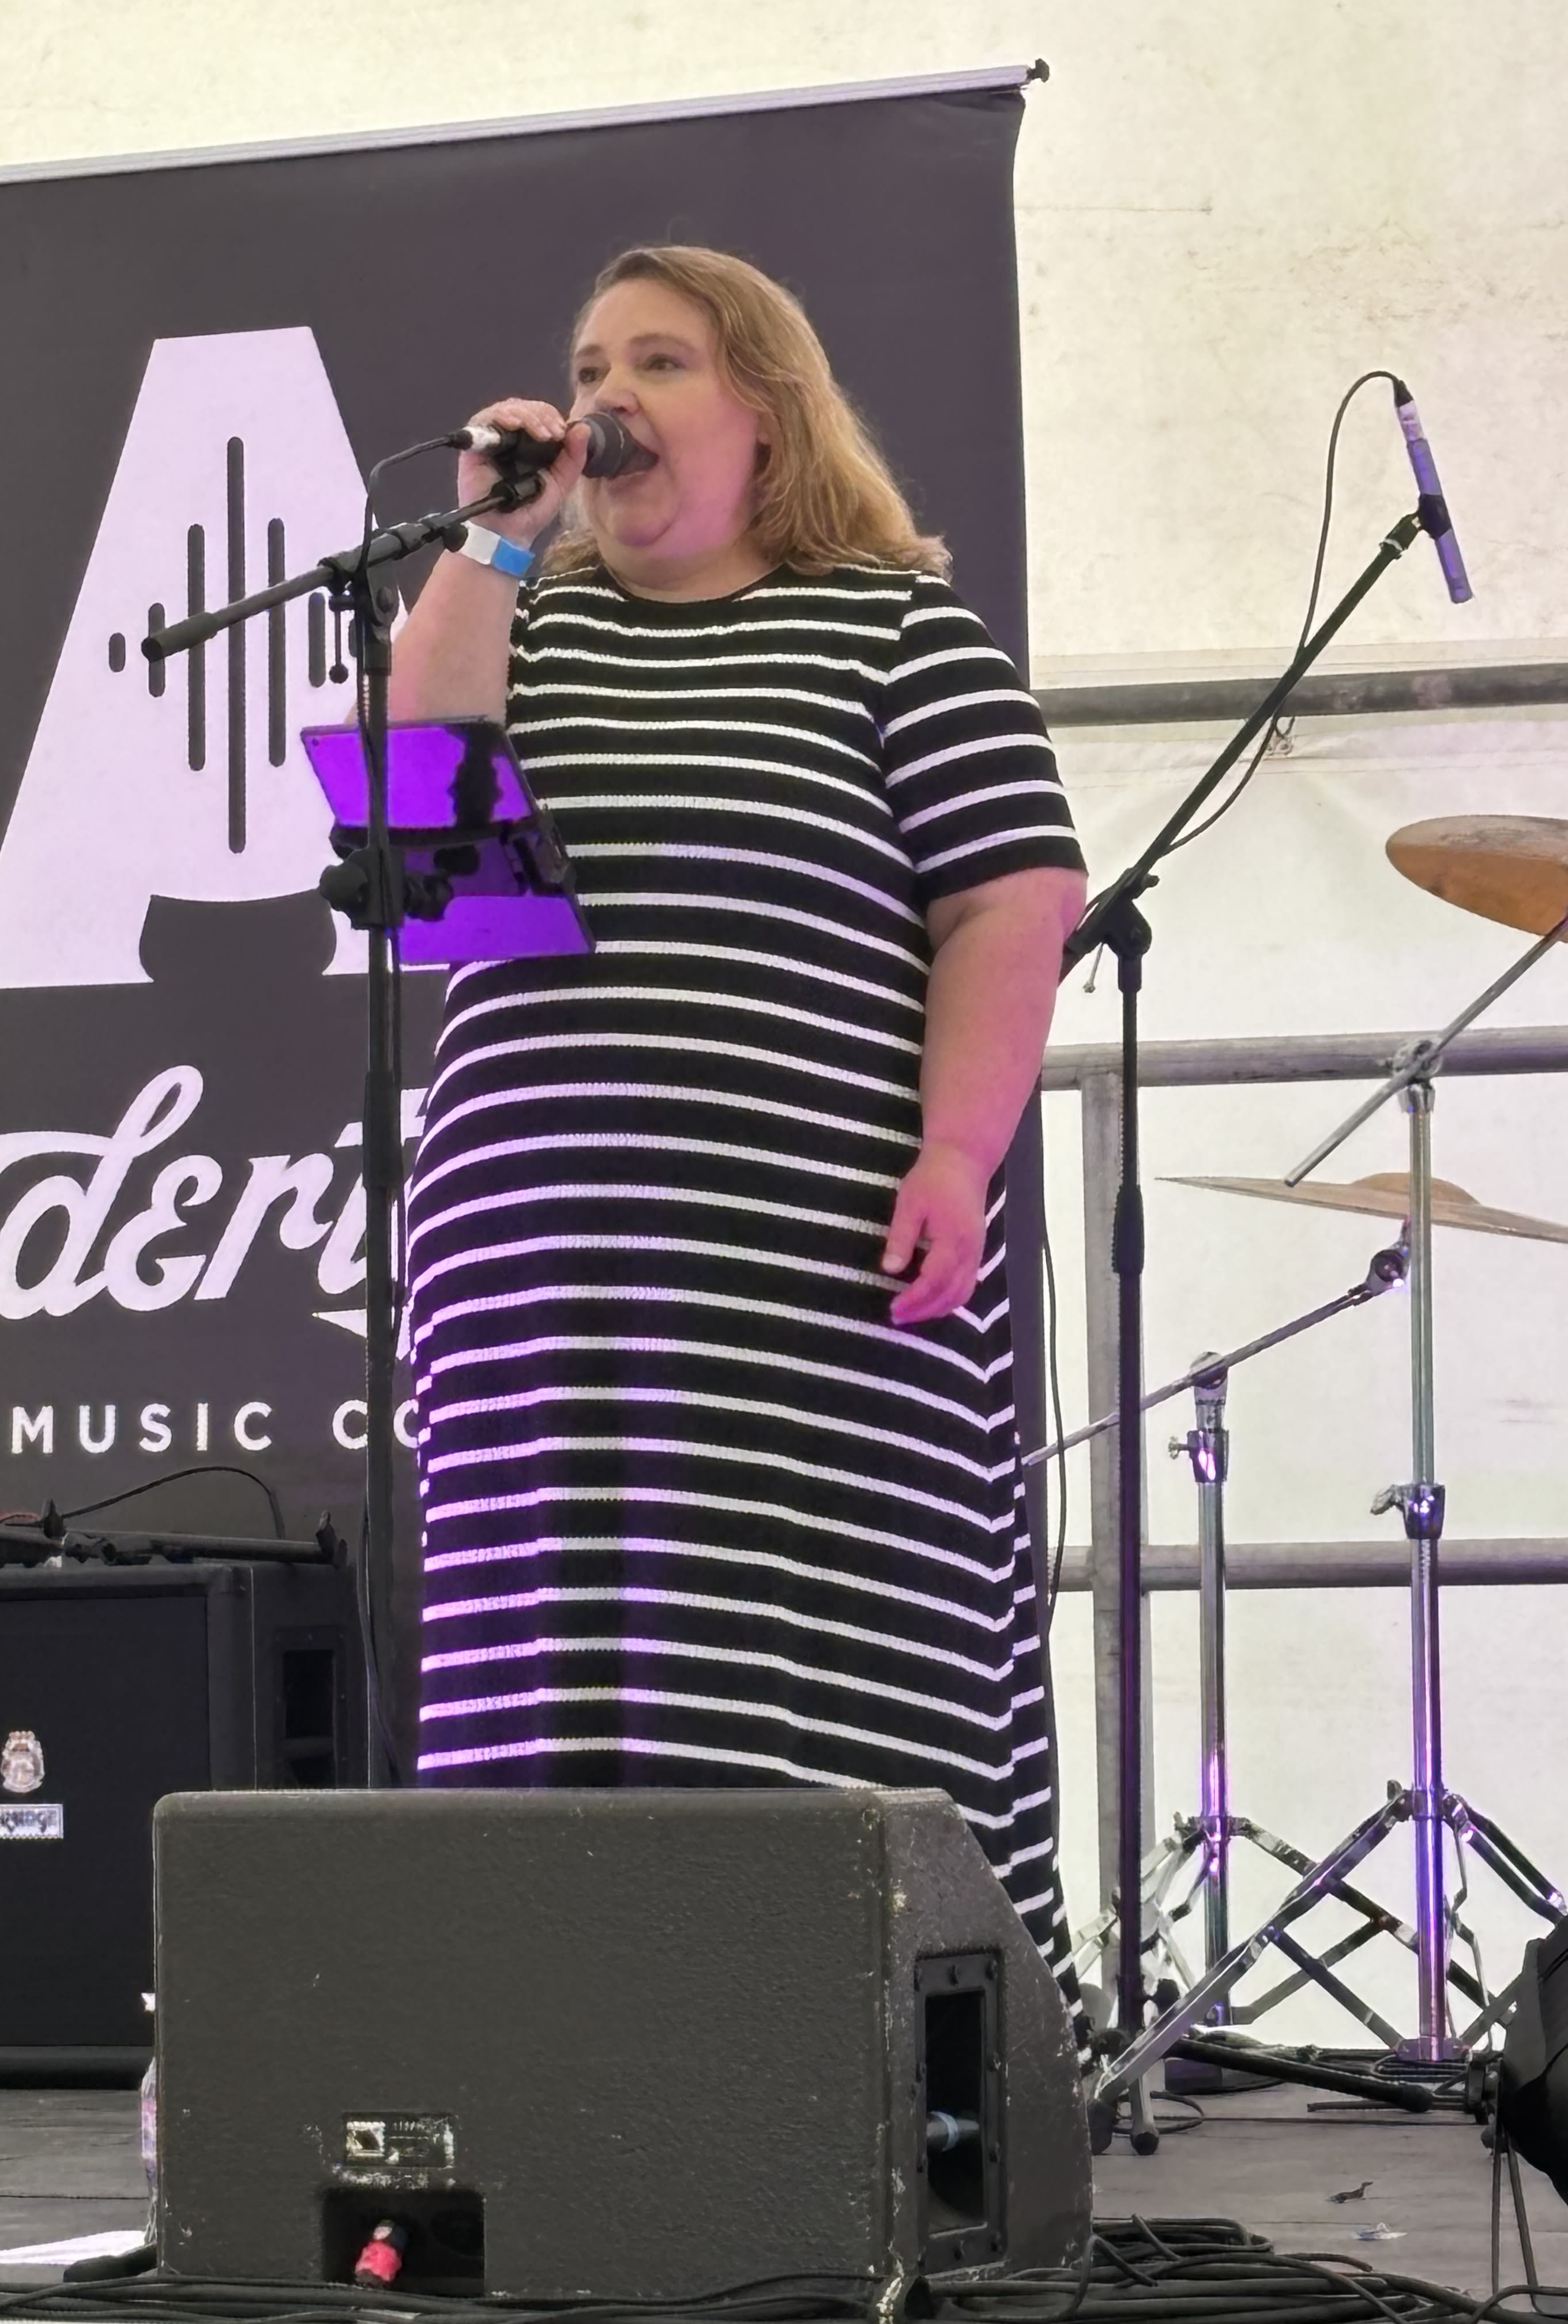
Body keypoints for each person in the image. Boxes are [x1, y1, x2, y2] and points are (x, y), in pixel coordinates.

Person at [393, 244, 1088, 1998]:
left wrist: (957, 1151)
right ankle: (547, 2031)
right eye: (588, 366)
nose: (606, 397)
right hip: (542, 1275)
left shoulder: (894, 631)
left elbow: (1012, 902)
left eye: (660, 361)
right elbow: (430, 862)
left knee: (806, 1668)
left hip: (805, 1273)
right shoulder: (526, 622)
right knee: (550, 1663)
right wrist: (490, 543)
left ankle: (846, 2045)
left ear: (767, 410)